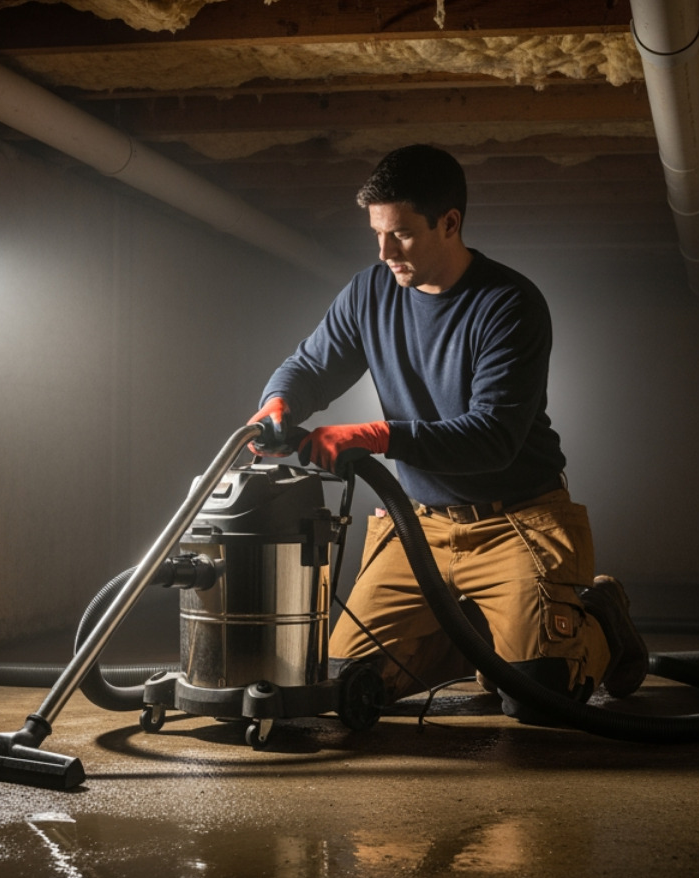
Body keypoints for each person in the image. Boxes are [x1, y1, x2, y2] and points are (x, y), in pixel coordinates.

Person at [248, 144, 646, 720]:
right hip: (419, 527)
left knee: (539, 695)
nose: (385, 252)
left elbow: (492, 437)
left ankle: (601, 621)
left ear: (450, 223)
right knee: (342, 683)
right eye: (378, 234)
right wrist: (277, 402)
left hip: (517, 521)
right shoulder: (369, 292)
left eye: (402, 234)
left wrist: (371, 436)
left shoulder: (509, 305)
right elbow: (309, 367)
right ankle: (490, 639)